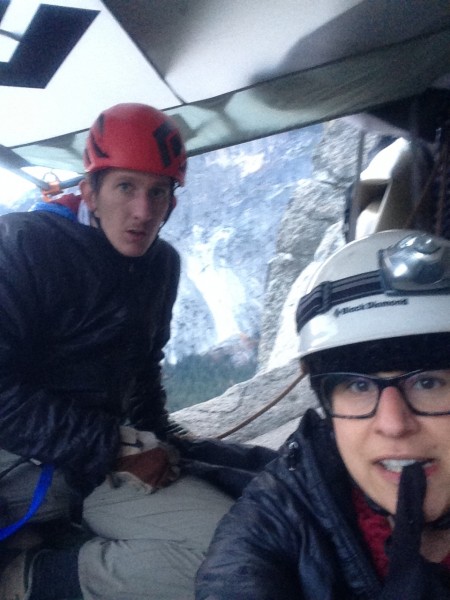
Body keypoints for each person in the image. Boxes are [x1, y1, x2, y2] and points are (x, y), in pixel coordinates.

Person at [0, 103, 234, 600]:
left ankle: (44, 567)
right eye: (126, 186)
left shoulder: (160, 265)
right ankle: (30, 562)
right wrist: (112, 447)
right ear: (90, 191)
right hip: (22, 458)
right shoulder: (23, 246)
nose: (143, 211)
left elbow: (143, 366)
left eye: (158, 191)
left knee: (234, 550)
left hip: (94, 465)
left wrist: (163, 444)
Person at [196, 228, 450, 599]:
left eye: (428, 383)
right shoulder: (281, 509)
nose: (393, 425)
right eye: (358, 386)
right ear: (327, 406)